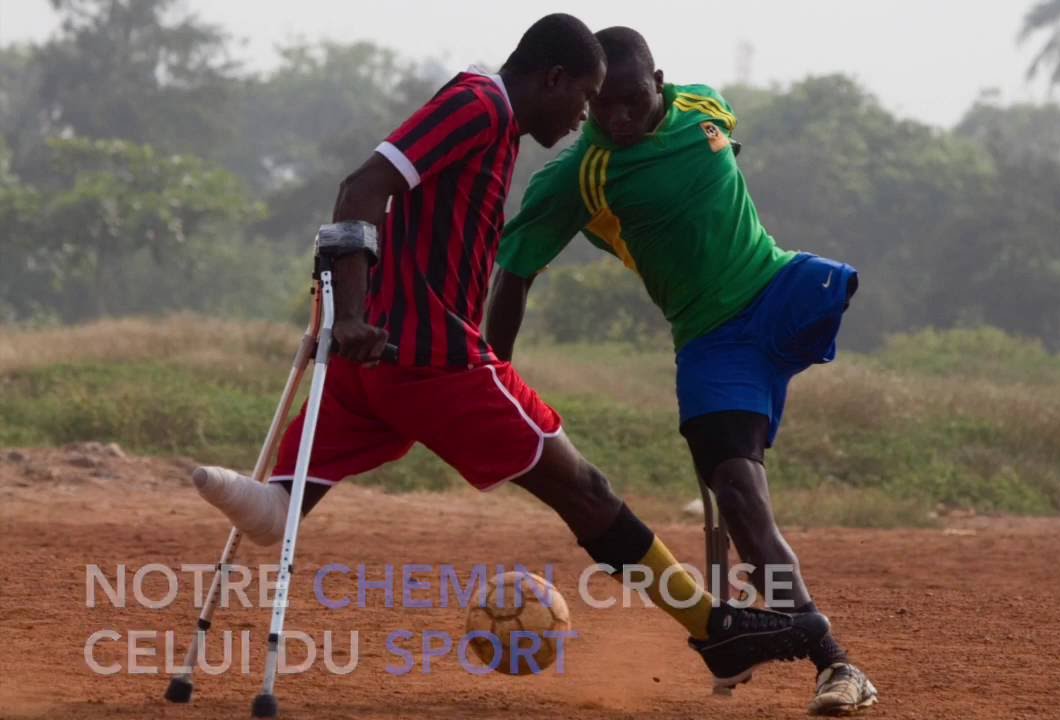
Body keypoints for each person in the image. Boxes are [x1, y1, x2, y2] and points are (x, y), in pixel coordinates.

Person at [189, 13, 827, 689]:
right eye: (584, 99)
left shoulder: (491, 120)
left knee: (279, 509)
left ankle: (267, 503)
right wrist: (348, 313)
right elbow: (362, 188)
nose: (583, 120)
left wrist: (355, 319)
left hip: (371, 366)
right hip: (436, 360)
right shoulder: (480, 106)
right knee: (586, 492)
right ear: (553, 79)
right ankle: (715, 632)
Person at [485, 26, 878, 715]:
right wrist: (495, 377)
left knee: (844, 283)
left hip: (780, 287)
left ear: (660, 84)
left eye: (633, 102)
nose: (617, 119)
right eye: (602, 106)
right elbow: (513, 274)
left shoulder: (704, 106)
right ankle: (835, 664)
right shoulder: (581, 174)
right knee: (741, 499)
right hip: (712, 344)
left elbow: (723, 155)